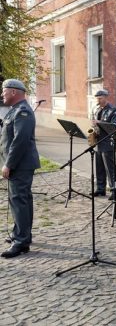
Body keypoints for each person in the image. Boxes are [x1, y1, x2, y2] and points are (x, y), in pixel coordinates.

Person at [0, 79, 40, 258]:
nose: (2, 94)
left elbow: (20, 141)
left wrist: (9, 164)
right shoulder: (14, 111)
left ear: (14, 92)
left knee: (19, 201)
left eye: (4, 91)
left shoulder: (22, 111)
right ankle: (22, 234)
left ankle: (21, 242)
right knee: (21, 201)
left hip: (20, 164)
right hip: (20, 164)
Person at [91, 89, 116, 200]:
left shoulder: (113, 110)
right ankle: (100, 189)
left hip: (108, 141)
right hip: (98, 141)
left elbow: (115, 126)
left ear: (106, 97)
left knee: (110, 168)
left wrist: (100, 123)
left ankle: (114, 190)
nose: (98, 100)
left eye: (100, 98)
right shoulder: (96, 109)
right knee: (99, 167)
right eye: (97, 98)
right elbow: (94, 122)